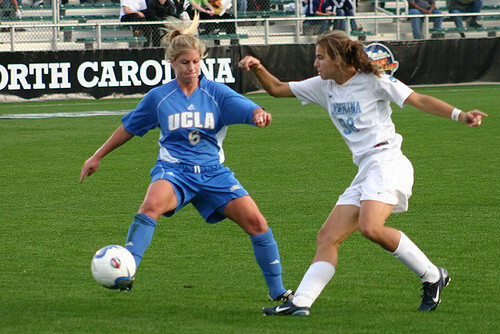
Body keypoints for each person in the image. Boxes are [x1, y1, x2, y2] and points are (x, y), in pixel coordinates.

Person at [238, 31, 487, 315]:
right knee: (327, 237)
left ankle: (433, 275)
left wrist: (461, 114)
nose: (315, 64)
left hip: (388, 162)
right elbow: (278, 89)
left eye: (320, 57)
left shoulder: (373, 80)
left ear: (338, 59)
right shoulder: (323, 85)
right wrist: (257, 67)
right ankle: (301, 303)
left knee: (371, 227)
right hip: (367, 169)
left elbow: (418, 100)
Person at [80, 14, 292, 303]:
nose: (191, 68)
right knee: (150, 206)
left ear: (201, 61)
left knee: (257, 223)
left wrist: (258, 114)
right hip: (174, 171)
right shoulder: (159, 98)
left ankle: (278, 291)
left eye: (195, 62)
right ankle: (127, 270)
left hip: (213, 173)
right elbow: (129, 127)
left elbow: (247, 108)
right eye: (184, 62)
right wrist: (97, 155)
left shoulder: (216, 92)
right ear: (172, 63)